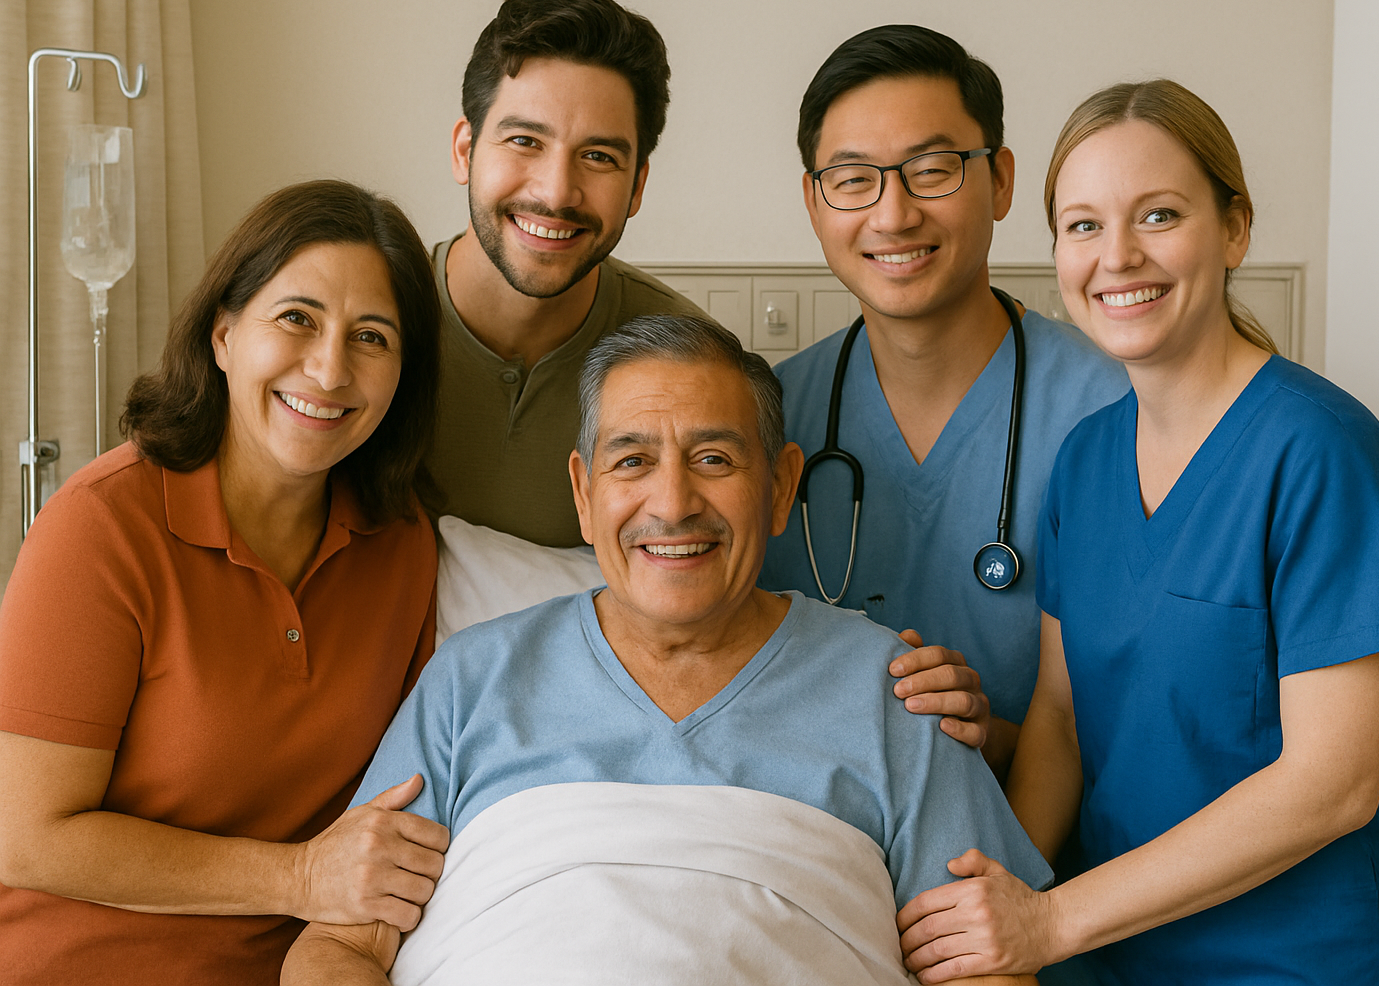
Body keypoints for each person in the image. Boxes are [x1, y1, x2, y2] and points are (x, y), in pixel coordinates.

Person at [283, 315, 1051, 986]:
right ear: (584, 495)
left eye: (714, 459)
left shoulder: (896, 692)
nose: (673, 503)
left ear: (782, 487)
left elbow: (988, 968)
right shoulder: (471, 680)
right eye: (632, 460)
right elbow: (338, 948)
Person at [896, 80, 1379, 985]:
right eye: (1083, 226)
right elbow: (1063, 725)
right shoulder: (1087, 461)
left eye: (1159, 215)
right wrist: (1006, 915)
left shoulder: (1321, 453)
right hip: (1113, 951)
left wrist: (1050, 921)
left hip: (1297, 958)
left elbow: (1334, 786)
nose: (1119, 257)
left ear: (1235, 229)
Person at [0, 181, 452, 985]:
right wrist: (298, 876)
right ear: (223, 335)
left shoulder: (405, 543)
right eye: (296, 319)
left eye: (372, 337)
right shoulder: (101, 528)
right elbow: (25, 835)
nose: (329, 367)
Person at [759, 25, 1129, 773]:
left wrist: (985, 737)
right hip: (817, 850)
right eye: (854, 178)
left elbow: (1140, 717)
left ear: (1001, 182)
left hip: (1060, 858)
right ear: (813, 201)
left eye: (932, 169)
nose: (893, 215)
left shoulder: (1113, 411)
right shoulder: (766, 420)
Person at [427, 0, 705, 547]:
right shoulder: (362, 327)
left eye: (598, 157)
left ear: (637, 186)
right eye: (525, 140)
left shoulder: (685, 357)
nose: (557, 193)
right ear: (465, 151)